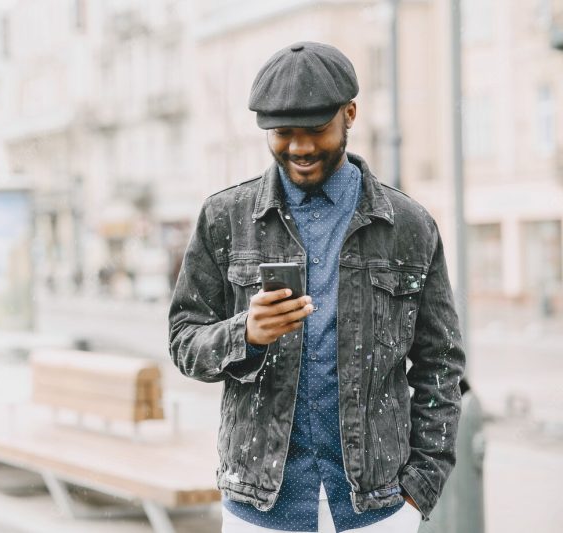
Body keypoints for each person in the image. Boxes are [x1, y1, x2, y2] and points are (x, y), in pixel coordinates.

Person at [168, 42, 465, 533]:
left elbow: (441, 365)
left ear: (350, 114)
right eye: (283, 133)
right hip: (258, 510)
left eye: (317, 130)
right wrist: (245, 333)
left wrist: (420, 490)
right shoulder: (225, 219)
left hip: (379, 511)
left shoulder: (409, 225)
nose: (300, 148)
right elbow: (183, 341)